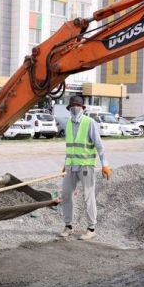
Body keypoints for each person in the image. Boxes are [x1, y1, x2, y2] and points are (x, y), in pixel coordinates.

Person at [60, 96, 112, 240]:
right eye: (72, 106)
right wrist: (65, 164)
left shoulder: (90, 123)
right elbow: (69, 146)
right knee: (65, 194)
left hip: (86, 166)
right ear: (69, 108)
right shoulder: (68, 123)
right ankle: (68, 225)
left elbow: (100, 146)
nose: (75, 108)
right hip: (71, 166)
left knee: (88, 196)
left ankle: (91, 228)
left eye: (77, 106)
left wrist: (105, 165)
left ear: (83, 108)